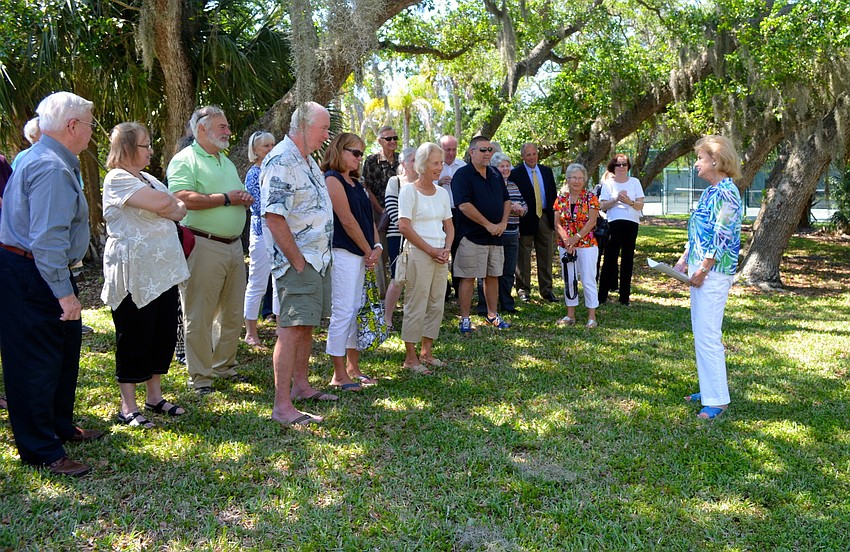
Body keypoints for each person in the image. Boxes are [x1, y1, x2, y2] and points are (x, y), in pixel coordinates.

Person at [0, 91, 103, 476]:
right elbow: (46, 239)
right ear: (72, 126)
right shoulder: (51, 168)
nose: (93, 131)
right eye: (90, 124)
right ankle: (41, 449)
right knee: (35, 362)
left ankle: (59, 427)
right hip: (36, 274)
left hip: (36, 269)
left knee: (61, 355)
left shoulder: (41, 156)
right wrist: (64, 294)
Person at [101, 123, 190, 428]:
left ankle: (154, 396)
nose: (151, 150)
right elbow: (166, 203)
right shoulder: (116, 179)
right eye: (145, 145)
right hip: (133, 274)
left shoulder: (148, 178)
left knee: (161, 333)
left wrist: (166, 206)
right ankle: (128, 406)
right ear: (126, 147)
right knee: (134, 335)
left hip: (162, 272)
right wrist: (166, 205)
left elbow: (180, 209)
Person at [167, 106, 254, 395]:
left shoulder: (225, 162)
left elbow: (231, 197)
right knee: (200, 314)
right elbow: (181, 198)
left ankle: (224, 367)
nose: (228, 131)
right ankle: (201, 378)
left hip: (232, 247)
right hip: (203, 244)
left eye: (227, 126)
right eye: (222, 126)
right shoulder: (185, 160)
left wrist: (242, 198)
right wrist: (227, 199)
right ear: (201, 129)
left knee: (232, 313)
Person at [261, 101, 334, 426]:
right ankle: (282, 405)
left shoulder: (306, 160)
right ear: (304, 126)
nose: (327, 134)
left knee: (305, 326)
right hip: (298, 262)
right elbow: (274, 216)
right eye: (323, 128)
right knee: (290, 330)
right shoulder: (282, 159)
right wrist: (298, 261)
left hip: (316, 260)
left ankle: (302, 387)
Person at [674, 135, 743, 419]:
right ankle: (709, 387)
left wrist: (703, 268)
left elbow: (723, 236)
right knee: (701, 333)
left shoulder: (727, 192)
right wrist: (684, 258)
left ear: (715, 160)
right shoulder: (711, 192)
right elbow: (700, 231)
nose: (697, 163)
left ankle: (718, 400)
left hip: (714, 273)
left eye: (701, 158)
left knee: (708, 335)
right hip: (700, 268)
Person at [323, 132, 382, 390]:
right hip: (344, 253)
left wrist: (376, 246)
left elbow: (368, 220)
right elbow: (346, 220)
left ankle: (352, 368)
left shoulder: (357, 184)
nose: (360, 158)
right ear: (339, 151)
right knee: (343, 311)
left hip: (361, 253)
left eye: (361, 153)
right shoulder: (332, 179)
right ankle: (338, 374)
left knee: (355, 309)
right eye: (355, 152)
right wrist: (368, 249)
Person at [398, 142, 453, 373]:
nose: (439, 167)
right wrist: (431, 250)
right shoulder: (408, 191)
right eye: (435, 163)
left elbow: (449, 226)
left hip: (440, 255)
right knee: (416, 304)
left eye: (441, 163)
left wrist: (446, 249)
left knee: (436, 304)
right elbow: (404, 227)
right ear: (422, 164)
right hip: (420, 254)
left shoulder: (441, 193)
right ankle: (410, 358)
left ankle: (426, 352)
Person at [451, 136, 512, 334]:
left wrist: (502, 223)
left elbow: (506, 200)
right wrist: (488, 225)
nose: (487, 154)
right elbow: (464, 205)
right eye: (483, 150)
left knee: (493, 276)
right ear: (471, 152)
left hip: (496, 235)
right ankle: (465, 318)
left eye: (490, 150)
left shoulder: (495, 173)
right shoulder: (462, 175)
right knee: (467, 277)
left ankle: (492, 315)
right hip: (471, 236)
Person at [477, 152, 527, 314]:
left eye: (507, 166)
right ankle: (485, 306)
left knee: (508, 271)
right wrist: (507, 206)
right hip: (495, 234)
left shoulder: (513, 185)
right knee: (489, 270)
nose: (505, 169)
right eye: (501, 166)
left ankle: (507, 304)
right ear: (494, 168)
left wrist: (521, 209)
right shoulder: (489, 184)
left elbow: (525, 206)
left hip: (513, 233)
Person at [243, 130, 278, 348]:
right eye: (266, 146)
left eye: (273, 144)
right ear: (255, 150)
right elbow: (257, 205)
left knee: (279, 281)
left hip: (281, 231)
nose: (270, 149)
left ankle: (281, 329)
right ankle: (250, 332)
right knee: (257, 281)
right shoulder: (253, 173)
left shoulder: (278, 170)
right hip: (261, 230)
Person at [553, 163, 600, 328]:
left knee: (588, 279)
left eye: (580, 178)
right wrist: (567, 240)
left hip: (587, 244)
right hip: (565, 245)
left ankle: (592, 317)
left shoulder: (591, 198)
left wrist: (576, 238)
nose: (577, 181)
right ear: (567, 179)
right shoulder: (561, 199)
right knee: (569, 279)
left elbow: (592, 221)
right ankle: (570, 315)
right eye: (574, 177)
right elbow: (557, 223)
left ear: (584, 180)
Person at [512, 143, 559, 303]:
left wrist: (555, 218)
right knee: (523, 256)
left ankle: (546, 290)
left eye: (534, 154)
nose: (532, 157)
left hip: (545, 217)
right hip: (526, 218)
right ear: (523, 157)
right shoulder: (516, 173)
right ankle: (523, 290)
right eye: (528, 155)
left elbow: (552, 195)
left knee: (546, 255)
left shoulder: (546, 171)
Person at [598, 154, 644, 306]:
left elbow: (640, 205)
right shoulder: (608, 184)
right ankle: (602, 296)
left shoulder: (635, 182)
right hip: (613, 223)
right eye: (619, 165)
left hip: (631, 222)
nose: (622, 167)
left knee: (628, 259)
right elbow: (602, 206)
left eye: (625, 164)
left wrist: (629, 202)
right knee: (610, 258)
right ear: (613, 167)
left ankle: (624, 297)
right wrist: (616, 199)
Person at [362, 126, 400, 295]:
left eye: (395, 138)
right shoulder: (371, 161)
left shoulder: (403, 160)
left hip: (401, 214)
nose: (392, 141)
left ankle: (398, 291)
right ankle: (383, 294)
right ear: (380, 141)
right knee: (381, 252)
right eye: (388, 139)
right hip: (379, 215)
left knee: (399, 253)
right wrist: (382, 210)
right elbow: (367, 188)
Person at [383, 146, 417, 330]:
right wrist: (408, 229)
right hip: (398, 235)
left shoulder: (423, 182)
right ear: (404, 163)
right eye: (413, 160)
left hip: (421, 237)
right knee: (398, 277)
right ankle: (387, 319)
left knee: (416, 278)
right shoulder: (394, 181)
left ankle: (412, 317)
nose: (417, 163)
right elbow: (391, 207)